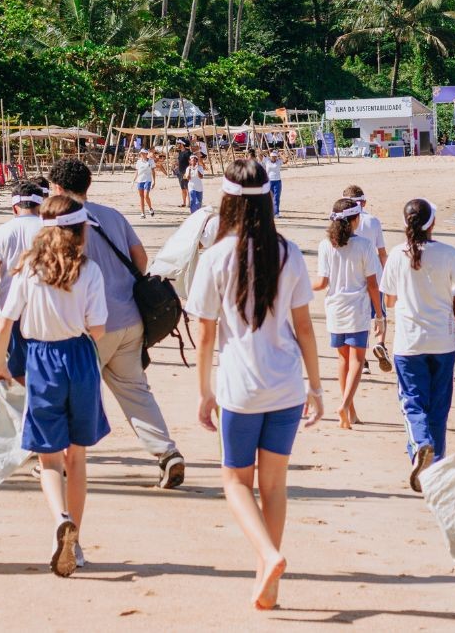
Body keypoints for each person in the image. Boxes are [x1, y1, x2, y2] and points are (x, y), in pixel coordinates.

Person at [187, 159, 324, 609]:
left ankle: (267, 556)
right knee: (274, 486)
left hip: (239, 385)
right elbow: (304, 328)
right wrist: (317, 388)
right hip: (286, 384)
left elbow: (206, 332)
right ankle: (272, 579)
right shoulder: (288, 252)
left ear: (225, 202)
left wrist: (204, 390)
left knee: (234, 479)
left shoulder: (215, 258)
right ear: (269, 201)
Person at [47, 158, 185, 488]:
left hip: (91, 325)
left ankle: (52, 459)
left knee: (65, 390)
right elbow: (140, 259)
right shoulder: (111, 214)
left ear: (61, 189)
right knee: (136, 392)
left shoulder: (61, 220)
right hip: (131, 318)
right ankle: (167, 453)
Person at [0, 195, 110, 576]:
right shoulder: (89, 271)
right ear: (78, 233)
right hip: (79, 358)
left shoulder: (27, 269)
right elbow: (98, 327)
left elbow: (6, 322)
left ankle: (60, 517)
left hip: (41, 360)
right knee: (77, 458)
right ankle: (77, 542)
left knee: (49, 460)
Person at [380, 198, 455, 491]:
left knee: (412, 401)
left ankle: (421, 446)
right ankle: (435, 463)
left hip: (409, 341)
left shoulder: (397, 256)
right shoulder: (449, 254)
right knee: (439, 406)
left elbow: (389, 299)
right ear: (432, 224)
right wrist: (454, 305)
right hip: (443, 340)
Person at [314, 197, 383, 428]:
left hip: (334, 308)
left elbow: (322, 283)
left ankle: (350, 411)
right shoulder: (364, 246)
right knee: (358, 360)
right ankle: (345, 405)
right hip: (357, 308)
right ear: (355, 219)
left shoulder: (326, 245)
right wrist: (380, 315)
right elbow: (373, 284)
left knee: (342, 359)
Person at [0, 182, 46, 384]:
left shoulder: (2, 232)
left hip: (10, 310)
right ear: (40, 206)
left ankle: (25, 407)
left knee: (17, 369)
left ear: (14, 207)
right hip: (46, 308)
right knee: (44, 366)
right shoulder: (49, 229)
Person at [343, 185, 390, 372]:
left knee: (359, 318)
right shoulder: (373, 221)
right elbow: (382, 253)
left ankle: (362, 361)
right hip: (375, 276)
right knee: (380, 313)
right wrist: (388, 274)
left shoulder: (341, 223)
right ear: (363, 202)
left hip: (353, 277)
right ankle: (381, 343)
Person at [134, 149, 156, 218]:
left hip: (148, 180)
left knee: (146, 196)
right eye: (141, 153)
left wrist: (154, 181)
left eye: (143, 153)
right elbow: (137, 172)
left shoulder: (151, 161)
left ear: (146, 154)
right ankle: (143, 213)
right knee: (141, 197)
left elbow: (153, 171)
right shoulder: (138, 161)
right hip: (140, 180)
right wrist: (134, 180)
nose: (142, 155)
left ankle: (150, 208)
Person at [264, 151, 283, 217]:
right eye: (272, 157)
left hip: (277, 181)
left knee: (276, 197)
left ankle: (276, 212)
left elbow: (286, 160)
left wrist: (280, 154)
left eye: (275, 157)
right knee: (269, 198)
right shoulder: (267, 161)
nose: (274, 158)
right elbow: (259, 154)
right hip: (269, 181)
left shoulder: (279, 161)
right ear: (270, 157)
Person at [174, 140, 192, 208]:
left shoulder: (188, 153)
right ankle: (184, 203)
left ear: (182, 144)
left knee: (187, 188)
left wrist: (188, 173)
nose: (177, 145)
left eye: (178, 143)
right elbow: (180, 162)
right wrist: (176, 167)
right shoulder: (180, 152)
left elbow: (190, 163)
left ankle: (189, 203)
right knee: (182, 188)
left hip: (186, 173)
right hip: (180, 173)